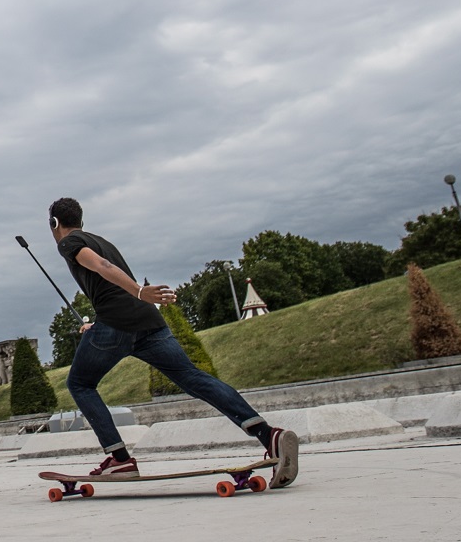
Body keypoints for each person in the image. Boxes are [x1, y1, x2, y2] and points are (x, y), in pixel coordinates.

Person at [48, 196, 298, 487]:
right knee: (193, 377)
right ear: (82, 219)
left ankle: (119, 459)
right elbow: (108, 283)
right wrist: (99, 321)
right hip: (147, 323)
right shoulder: (102, 240)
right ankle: (269, 435)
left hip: (118, 323)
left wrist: (140, 292)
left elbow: (102, 266)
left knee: (80, 384)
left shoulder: (68, 243)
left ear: (55, 223)